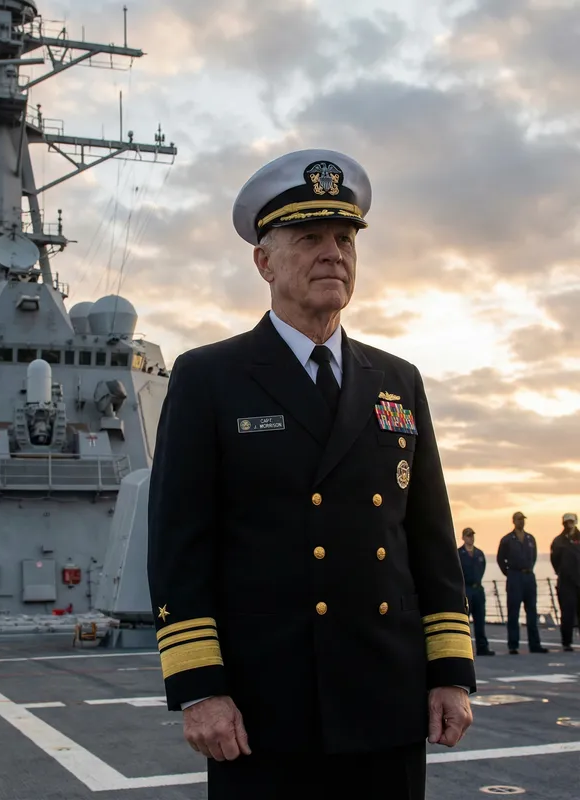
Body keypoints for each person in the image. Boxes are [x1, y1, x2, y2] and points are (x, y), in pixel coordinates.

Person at [147, 149, 475, 799]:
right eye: (310, 238)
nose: (334, 253)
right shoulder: (210, 378)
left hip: (386, 701)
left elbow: (430, 540)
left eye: (345, 238)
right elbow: (181, 548)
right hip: (264, 712)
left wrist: (451, 673)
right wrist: (200, 690)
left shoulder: (397, 380)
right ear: (264, 262)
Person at [497, 511, 548, 655]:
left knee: (532, 611)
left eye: (523, 520)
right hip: (515, 577)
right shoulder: (507, 540)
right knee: (513, 612)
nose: (521, 522)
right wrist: (510, 573)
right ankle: (513, 645)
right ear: (513, 521)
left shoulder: (530, 538)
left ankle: (535, 644)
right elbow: (501, 559)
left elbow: (534, 557)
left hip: (529, 577)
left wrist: (528, 569)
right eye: (519, 520)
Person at [458, 528, 494, 655]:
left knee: (480, 620)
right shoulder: (459, 554)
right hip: (466, 589)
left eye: (472, 535)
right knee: (464, 620)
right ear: (463, 537)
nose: (471, 538)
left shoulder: (479, 553)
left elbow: (482, 568)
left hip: (478, 588)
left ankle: (482, 647)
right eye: (468, 536)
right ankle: (463, 648)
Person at [550, 513, 580, 652]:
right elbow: (554, 560)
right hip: (566, 582)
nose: (569, 525)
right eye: (567, 522)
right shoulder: (558, 541)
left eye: (571, 522)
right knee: (567, 613)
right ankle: (566, 642)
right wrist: (562, 572)